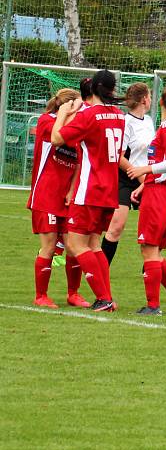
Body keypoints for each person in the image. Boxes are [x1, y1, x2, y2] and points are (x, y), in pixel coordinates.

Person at [51, 70, 126, 312]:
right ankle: (108, 297)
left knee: (74, 244)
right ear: (112, 91)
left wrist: (63, 114)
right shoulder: (119, 115)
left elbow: (56, 139)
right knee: (94, 244)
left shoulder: (90, 115)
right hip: (109, 190)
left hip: (89, 188)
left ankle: (103, 298)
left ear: (92, 88)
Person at [127, 84, 166, 316]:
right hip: (159, 191)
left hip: (160, 195)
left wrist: (145, 169)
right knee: (153, 251)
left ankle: (153, 306)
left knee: (148, 250)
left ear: (161, 103)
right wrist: (145, 184)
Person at [26, 88, 91, 308]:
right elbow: (56, 139)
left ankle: (73, 293)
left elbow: (80, 162)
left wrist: (73, 189)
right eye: (79, 106)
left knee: (74, 245)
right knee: (50, 246)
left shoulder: (75, 128)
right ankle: (40, 296)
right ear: (67, 107)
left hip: (67, 198)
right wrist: (64, 114)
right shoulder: (47, 121)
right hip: (46, 196)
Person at [101, 82, 155, 265]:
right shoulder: (125, 122)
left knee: (152, 229)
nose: (151, 99)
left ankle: (151, 272)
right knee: (116, 227)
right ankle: (100, 272)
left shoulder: (148, 121)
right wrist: (140, 176)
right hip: (125, 178)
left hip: (145, 179)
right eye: (150, 95)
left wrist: (148, 176)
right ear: (143, 99)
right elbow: (118, 156)